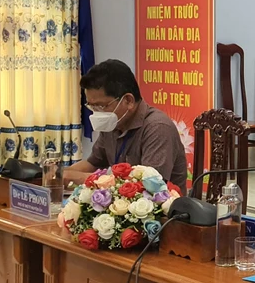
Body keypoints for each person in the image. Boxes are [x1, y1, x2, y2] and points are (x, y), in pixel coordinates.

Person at [64, 59, 188, 194]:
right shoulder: (114, 123)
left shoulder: (158, 128)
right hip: (118, 202)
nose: (96, 113)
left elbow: (149, 186)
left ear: (128, 101)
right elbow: (93, 163)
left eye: (101, 106)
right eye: (92, 106)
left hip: (159, 204)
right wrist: (59, 175)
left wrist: (83, 179)